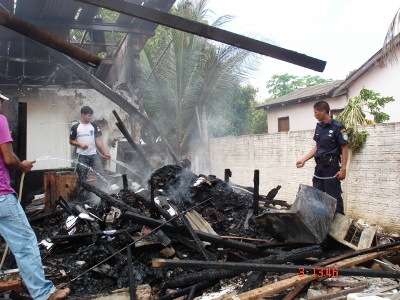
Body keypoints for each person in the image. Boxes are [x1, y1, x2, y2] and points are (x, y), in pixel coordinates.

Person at [0, 93, 70, 299]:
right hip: (2, 197)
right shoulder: (0, 120)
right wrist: (22, 166)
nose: (3, 106)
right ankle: (43, 294)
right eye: (1, 102)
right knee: (25, 244)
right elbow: (9, 158)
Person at [296, 100, 348, 215]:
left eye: (316, 112)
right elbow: (317, 147)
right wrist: (303, 159)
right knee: (316, 196)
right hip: (319, 167)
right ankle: (320, 224)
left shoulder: (338, 127)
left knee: (334, 197)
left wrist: (343, 169)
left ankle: (340, 225)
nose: (314, 115)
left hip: (331, 167)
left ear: (323, 111)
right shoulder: (319, 127)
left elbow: (344, 148)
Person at [69, 106, 111, 186]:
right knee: (82, 178)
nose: (90, 117)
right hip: (82, 156)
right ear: (83, 115)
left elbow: (98, 140)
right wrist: (80, 144)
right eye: (89, 115)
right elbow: (71, 141)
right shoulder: (75, 127)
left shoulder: (94, 126)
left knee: (101, 175)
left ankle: (105, 192)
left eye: (91, 115)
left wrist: (105, 153)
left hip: (94, 155)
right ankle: (82, 194)